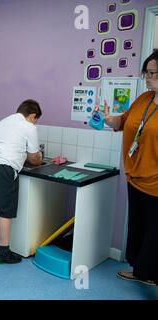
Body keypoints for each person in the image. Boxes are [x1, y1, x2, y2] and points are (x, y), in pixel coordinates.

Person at [94, 51, 158, 286]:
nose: (147, 78)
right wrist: (111, 120)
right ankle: (142, 272)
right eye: (146, 73)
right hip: (136, 179)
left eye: (152, 73)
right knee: (139, 230)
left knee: (155, 236)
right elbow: (124, 122)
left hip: (156, 184)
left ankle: (151, 274)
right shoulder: (144, 99)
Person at [0, 99, 43, 263]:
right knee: (5, 212)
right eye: (36, 119)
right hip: (3, 169)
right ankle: (3, 252)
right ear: (32, 116)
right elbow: (34, 157)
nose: (35, 122)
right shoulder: (29, 127)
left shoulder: (4, 121)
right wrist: (39, 160)